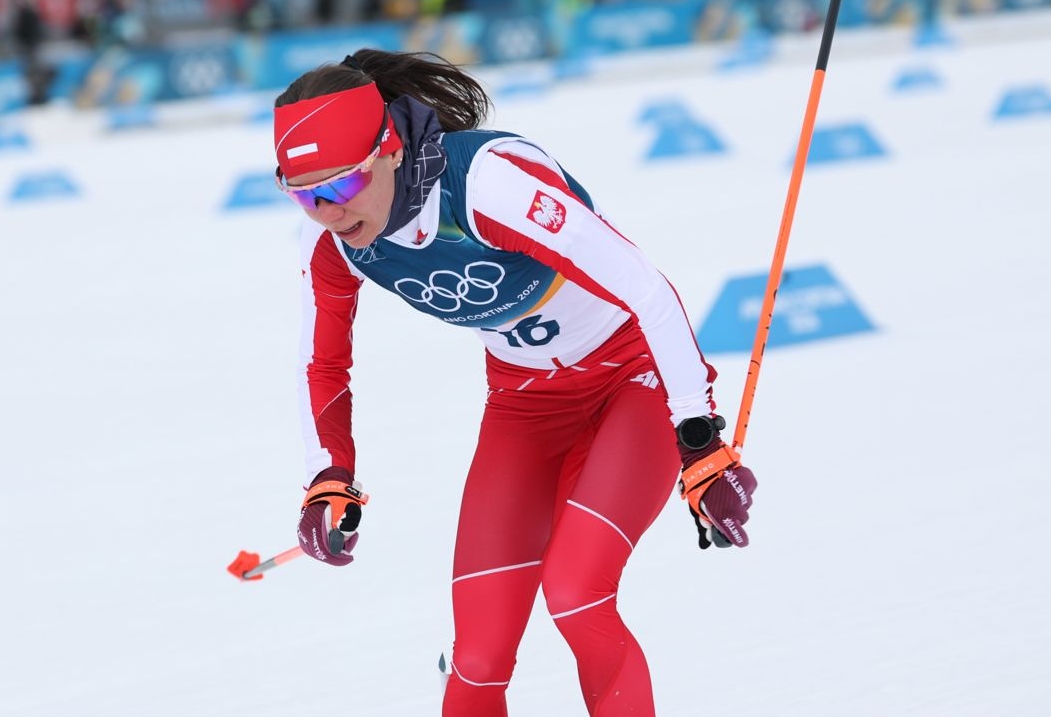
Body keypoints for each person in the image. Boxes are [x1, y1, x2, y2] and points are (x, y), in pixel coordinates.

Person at [272, 49, 757, 717]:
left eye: (342, 186)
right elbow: (321, 362)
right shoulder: (331, 241)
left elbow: (647, 290)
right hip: (524, 405)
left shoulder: (486, 188)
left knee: (576, 592)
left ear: (387, 147)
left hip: (630, 377)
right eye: (304, 193)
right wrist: (329, 474)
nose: (327, 211)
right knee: (477, 655)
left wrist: (701, 442)